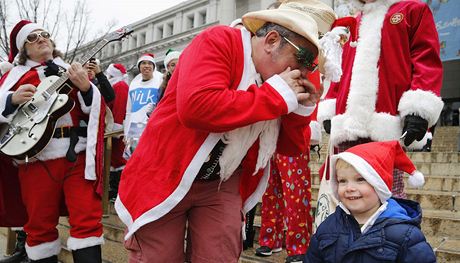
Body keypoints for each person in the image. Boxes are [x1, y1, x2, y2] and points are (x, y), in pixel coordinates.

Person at [115, 0, 326, 261]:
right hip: (168, 171)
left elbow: (290, 147)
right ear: (271, 41)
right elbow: (196, 106)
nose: (304, 71)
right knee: (159, 257)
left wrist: (299, 110)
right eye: (303, 59)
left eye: (312, 65)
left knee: (219, 256)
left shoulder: (275, 82)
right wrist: (275, 97)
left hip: (223, 181)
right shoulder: (219, 40)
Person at [0, 20, 106, 263]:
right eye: (32, 37)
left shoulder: (72, 70)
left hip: (75, 155)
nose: (41, 38)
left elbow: (98, 111)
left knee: (87, 220)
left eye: (44, 34)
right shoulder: (15, 77)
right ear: (22, 49)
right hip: (35, 159)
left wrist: (87, 89)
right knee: (39, 226)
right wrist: (10, 99)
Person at [318, 0, 444, 198]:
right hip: (348, 126)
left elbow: (426, 59)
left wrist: (418, 109)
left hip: (386, 123)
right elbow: (340, 70)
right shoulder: (353, 22)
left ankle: (390, 229)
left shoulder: (412, 10)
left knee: (386, 193)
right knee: (347, 195)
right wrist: (331, 106)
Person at [305, 141, 436, 262]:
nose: (349, 188)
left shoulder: (406, 235)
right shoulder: (328, 226)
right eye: (342, 181)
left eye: (360, 179)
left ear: (379, 186)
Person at [122, 53, 162, 159]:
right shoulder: (134, 84)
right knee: (133, 161)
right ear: (139, 67)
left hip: (151, 129)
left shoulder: (159, 82)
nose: (146, 66)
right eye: (143, 63)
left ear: (154, 67)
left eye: (150, 63)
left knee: (150, 160)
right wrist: (126, 133)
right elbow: (128, 111)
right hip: (134, 131)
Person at [105, 63, 130, 200]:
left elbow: (120, 106)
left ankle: (118, 190)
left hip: (116, 129)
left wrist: (116, 126)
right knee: (113, 159)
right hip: (111, 127)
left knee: (119, 159)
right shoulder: (116, 84)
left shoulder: (120, 85)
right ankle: (114, 189)